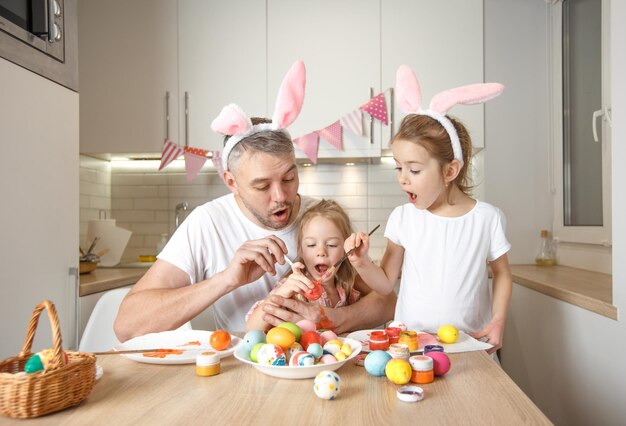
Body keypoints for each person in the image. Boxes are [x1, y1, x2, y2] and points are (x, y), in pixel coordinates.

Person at [114, 61, 395, 342]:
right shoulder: (208, 223)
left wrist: (333, 319)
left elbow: (387, 300)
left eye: (289, 178)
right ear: (231, 182)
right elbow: (127, 326)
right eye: (262, 186)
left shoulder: (319, 219)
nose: (281, 196)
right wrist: (226, 280)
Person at [344, 65, 512, 353]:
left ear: (450, 171)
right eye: (398, 167)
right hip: (411, 347)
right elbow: (385, 284)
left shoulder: (487, 218)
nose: (402, 178)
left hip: (471, 345)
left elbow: (503, 274)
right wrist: (361, 263)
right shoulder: (404, 218)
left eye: (414, 169)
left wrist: (498, 321)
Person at [246, 199, 370, 331]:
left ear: (345, 250)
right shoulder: (291, 288)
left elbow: (384, 299)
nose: (321, 252)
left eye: (332, 245)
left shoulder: (348, 288)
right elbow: (251, 330)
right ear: (300, 250)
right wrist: (280, 295)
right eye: (311, 245)